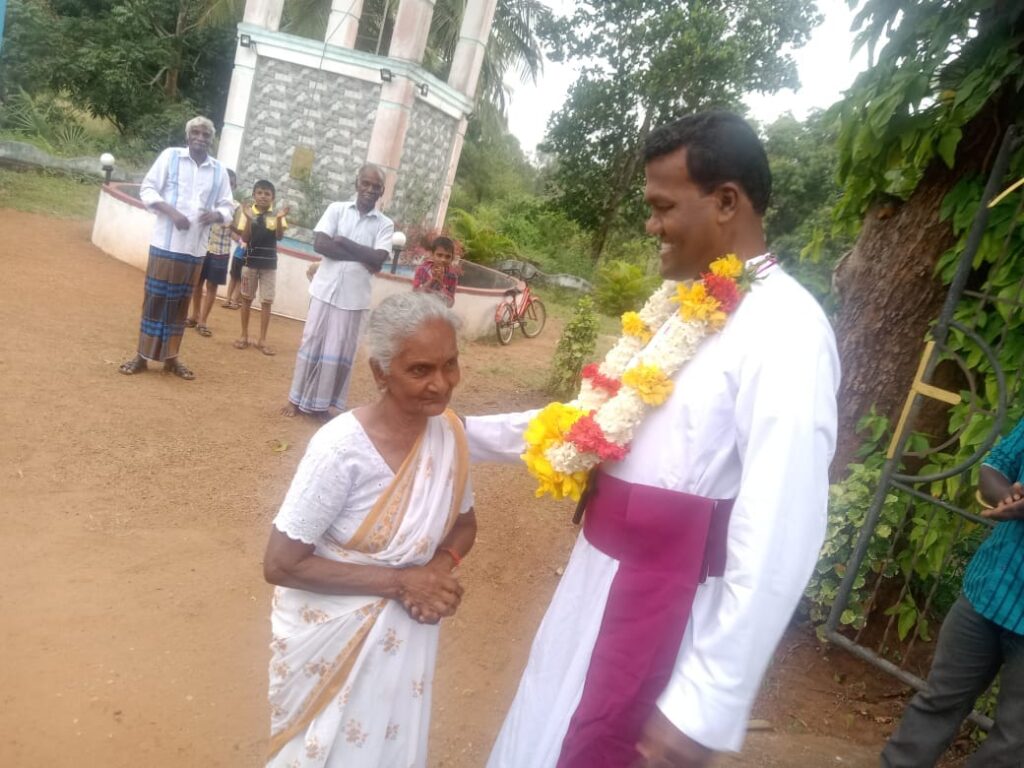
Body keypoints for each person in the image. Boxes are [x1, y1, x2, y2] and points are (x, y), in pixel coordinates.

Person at [464, 111, 840, 767]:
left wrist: (705, 703)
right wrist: (462, 434)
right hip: (594, 581)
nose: (650, 224)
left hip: (660, 612)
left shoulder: (789, 329)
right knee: (543, 732)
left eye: (662, 206)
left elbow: (780, 529)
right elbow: (595, 417)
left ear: (727, 201)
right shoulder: (683, 304)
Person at [262, 292, 476, 767]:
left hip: (408, 631)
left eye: (450, 365)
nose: (440, 384)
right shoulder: (340, 449)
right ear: (381, 372)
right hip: (330, 637)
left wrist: (437, 574)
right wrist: (403, 581)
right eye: (420, 370)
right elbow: (279, 563)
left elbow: (464, 525)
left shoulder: (449, 435)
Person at [881, 417, 1024, 767]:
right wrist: (1007, 496)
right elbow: (994, 466)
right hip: (988, 591)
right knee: (937, 702)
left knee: (1014, 743)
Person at [118, 116, 234, 380]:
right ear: (187, 136)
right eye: (196, 133)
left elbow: (229, 206)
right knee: (155, 300)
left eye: (206, 134)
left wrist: (215, 215)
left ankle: (172, 358)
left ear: (211, 140)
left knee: (180, 304)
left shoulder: (219, 171)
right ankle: (141, 356)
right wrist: (172, 213)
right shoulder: (170, 157)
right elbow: (147, 190)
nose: (201, 138)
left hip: (194, 250)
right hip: (165, 245)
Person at [283, 164, 394, 418]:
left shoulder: (385, 225)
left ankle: (325, 406)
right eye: (365, 183)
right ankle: (295, 399)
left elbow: (378, 258)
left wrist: (343, 241)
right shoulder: (337, 209)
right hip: (324, 290)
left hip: (354, 299)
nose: (369, 189)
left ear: (382, 191)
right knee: (311, 342)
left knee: (340, 350)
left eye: (375, 186)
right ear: (356, 184)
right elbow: (321, 244)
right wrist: (362, 256)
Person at [234, 179, 289, 355]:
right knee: (246, 299)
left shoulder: (276, 216)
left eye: (267, 194)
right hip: (250, 263)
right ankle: (244, 335)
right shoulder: (247, 213)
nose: (263, 197)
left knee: (266, 301)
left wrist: (280, 220)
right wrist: (249, 219)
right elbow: (245, 238)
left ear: (273, 197)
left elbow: (279, 237)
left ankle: (262, 339)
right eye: (259, 193)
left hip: (269, 265)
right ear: (254, 195)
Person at [186, 168, 237, 337]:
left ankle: (203, 321)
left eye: (231, 183)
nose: (228, 186)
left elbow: (238, 232)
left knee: (212, 286)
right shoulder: (207, 202)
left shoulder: (235, 208)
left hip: (221, 251)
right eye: (226, 182)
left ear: (234, 186)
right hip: (202, 247)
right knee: (197, 283)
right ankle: (194, 315)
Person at [412, 236, 459, 307]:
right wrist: (432, 280)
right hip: (420, 308)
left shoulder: (452, 276)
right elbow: (415, 293)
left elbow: (450, 304)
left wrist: (441, 284)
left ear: (452, 258)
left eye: (448, 256)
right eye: (439, 255)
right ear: (432, 254)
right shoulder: (422, 270)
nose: (443, 259)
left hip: (438, 311)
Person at [223, 240, 246, 310]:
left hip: (241, 256)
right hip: (239, 256)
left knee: (237, 279)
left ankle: (232, 301)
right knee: (236, 278)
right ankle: (231, 300)